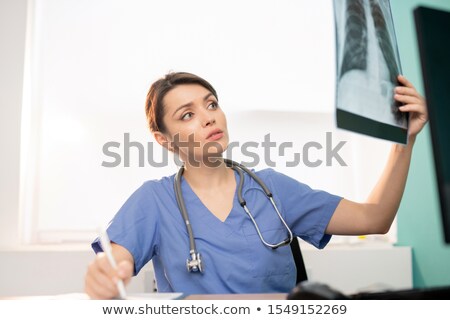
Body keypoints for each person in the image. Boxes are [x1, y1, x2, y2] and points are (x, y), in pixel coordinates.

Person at [84, 72, 428, 299]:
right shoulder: (154, 200)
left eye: (211, 103)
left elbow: (374, 219)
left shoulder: (272, 188)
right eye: (187, 115)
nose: (208, 117)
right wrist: (107, 275)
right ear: (165, 140)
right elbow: (115, 263)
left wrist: (404, 143)